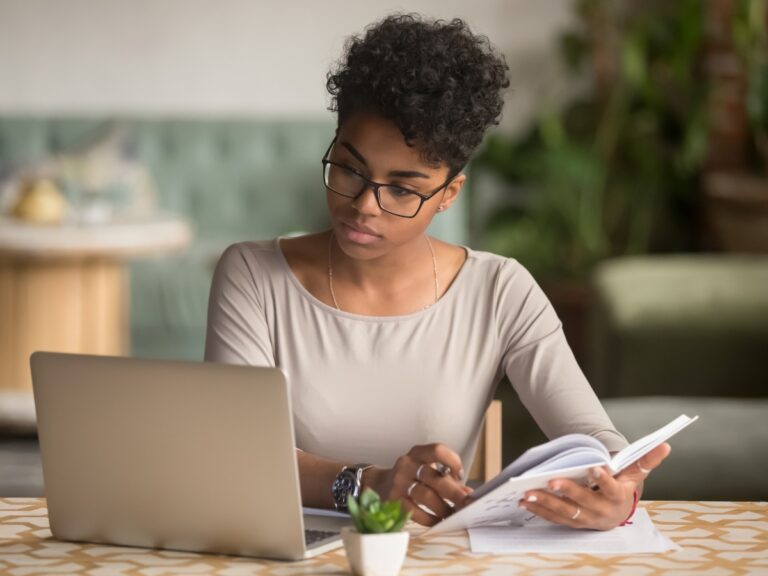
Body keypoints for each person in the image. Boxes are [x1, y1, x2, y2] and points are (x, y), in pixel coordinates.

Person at [204, 13, 670, 529]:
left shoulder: (499, 290)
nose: (364, 205)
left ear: (449, 194)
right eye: (349, 168)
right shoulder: (251, 275)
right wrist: (367, 485)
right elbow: (235, 453)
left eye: (402, 188)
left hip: (435, 558)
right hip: (286, 556)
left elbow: (593, 436)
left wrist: (619, 490)